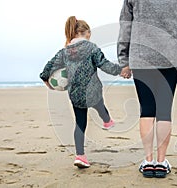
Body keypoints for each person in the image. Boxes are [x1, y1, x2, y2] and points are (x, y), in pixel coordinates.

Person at [117, 0, 177, 178]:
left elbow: (125, 26)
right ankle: (161, 161)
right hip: (171, 56)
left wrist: (123, 60)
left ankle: (149, 161)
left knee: (147, 111)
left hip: (142, 56)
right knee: (164, 112)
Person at [40, 16, 122, 168]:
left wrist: (45, 79)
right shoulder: (92, 48)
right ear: (84, 32)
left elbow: (49, 66)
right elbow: (104, 65)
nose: (90, 35)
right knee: (100, 106)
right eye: (89, 32)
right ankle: (107, 120)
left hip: (75, 94)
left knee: (80, 124)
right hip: (93, 91)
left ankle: (80, 156)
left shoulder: (65, 52)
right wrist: (120, 70)